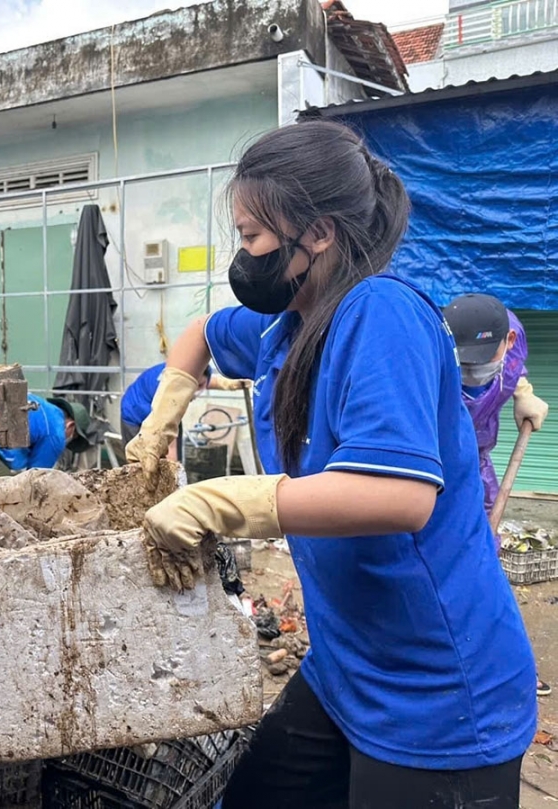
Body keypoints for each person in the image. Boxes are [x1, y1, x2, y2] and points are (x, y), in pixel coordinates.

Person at [128, 121, 535, 808]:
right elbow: (199, 333)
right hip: (346, 665)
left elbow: (398, 495)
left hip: (436, 696)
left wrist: (219, 503)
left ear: (316, 233)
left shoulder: (380, 315)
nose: (243, 255)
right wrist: (163, 414)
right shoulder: (281, 322)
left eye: (253, 238)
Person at [444, 293, 550, 697]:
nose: (473, 368)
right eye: (465, 359)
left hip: (480, 458)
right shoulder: (434, 354)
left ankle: (498, 663)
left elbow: (515, 365)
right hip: (439, 463)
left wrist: (523, 390)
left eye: (483, 357)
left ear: (506, 343)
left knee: (484, 560)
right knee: (449, 558)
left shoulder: (515, 336)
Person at [0, 394, 90, 486]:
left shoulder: (39, 404)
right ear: (70, 425)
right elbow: (35, 477)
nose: (68, 440)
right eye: (73, 436)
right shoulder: (57, 432)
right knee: (12, 492)